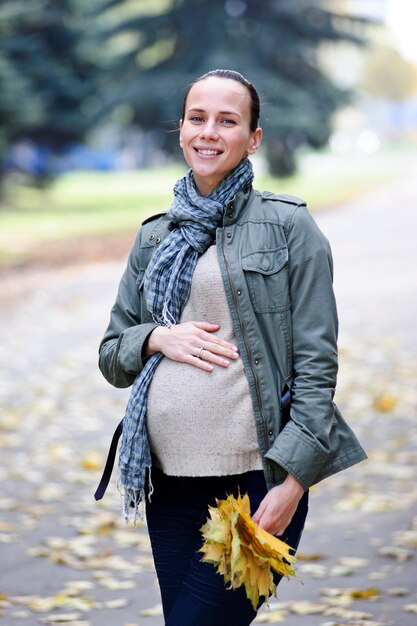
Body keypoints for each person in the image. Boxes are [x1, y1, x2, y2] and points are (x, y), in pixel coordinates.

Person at [97, 69, 367, 626]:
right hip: (166, 480)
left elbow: (318, 365)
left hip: (257, 482)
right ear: (180, 130)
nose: (209, 132)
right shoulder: (154, 236)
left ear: (254, 137)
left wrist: (295, 481)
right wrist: (155, 336)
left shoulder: (291, 228)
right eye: (198, 118)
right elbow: (111, 354)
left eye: (228, 120)